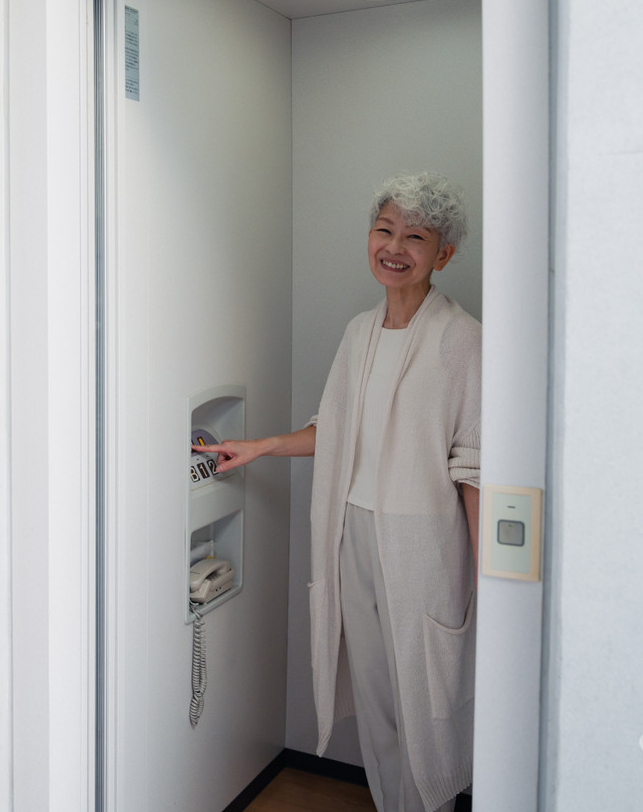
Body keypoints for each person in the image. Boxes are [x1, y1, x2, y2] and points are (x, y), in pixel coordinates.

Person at [199, 172, 480, 812]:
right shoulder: (360, 333)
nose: (395, 245)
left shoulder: (463, 340)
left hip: (425, 546)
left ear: (445, 254)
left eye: (415, 235)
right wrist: (261, 446)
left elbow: (473, 461)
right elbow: (336, 429)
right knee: (379, 693)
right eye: (385, 229)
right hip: (351, 530)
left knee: (428, 698)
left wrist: (489, 571)